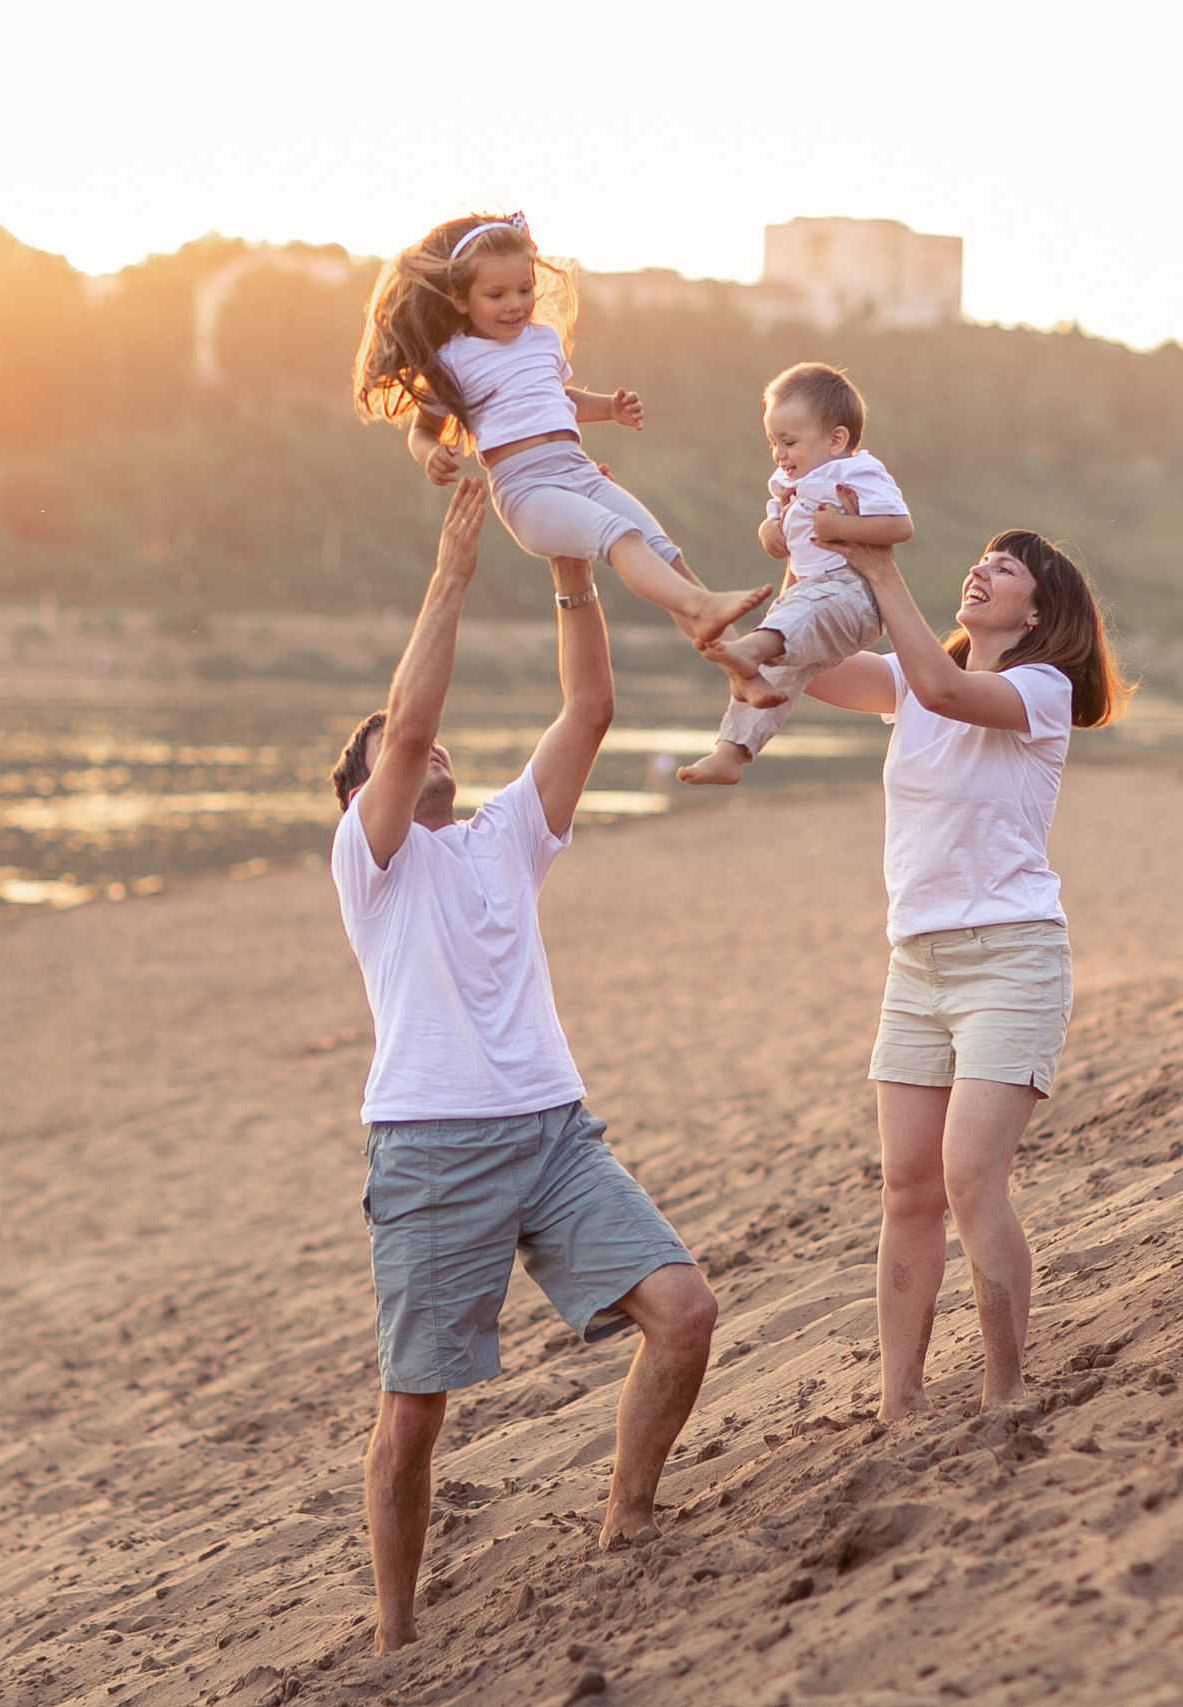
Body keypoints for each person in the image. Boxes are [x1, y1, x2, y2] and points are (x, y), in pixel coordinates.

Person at [327, 476, 720, 1652]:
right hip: (432, 1149)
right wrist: (450, 572)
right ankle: (397, 1632)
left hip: (553, 1132)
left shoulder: (502, 833)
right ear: (358, 798)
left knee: (686, 1312)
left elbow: (589, 708)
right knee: (413, 1417)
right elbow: (402, 724)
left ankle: (628, 1524)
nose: (424, 745)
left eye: (433, 742)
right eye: (395, 751)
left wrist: (568, 563)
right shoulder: (372, 860)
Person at [796, 505, 1130, 1419]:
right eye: (982, 558)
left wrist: (880, 569)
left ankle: (1005, 1388)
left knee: (969, 1176)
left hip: (1012, 959)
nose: (984, 570)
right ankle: (898, 1403)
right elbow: (812, 665)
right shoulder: (911, 682)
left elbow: (945, 692)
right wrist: (802, 553)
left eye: (1007, 569)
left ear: (1035, 615)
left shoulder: (1042, 692)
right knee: (907, 1186)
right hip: (917, 966)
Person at [352, 210, 769, 649]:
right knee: (620, 537)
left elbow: (557, 399)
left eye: (525, 289)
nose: (515, 304)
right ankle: (703, 609)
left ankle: (739, 663)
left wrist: (609, 408)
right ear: (459, 298)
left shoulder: (543, 340)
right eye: (496, 295)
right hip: (527, 489)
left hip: (578, 470)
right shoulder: (453, 358)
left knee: (663, 551)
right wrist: (429, 453)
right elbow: (423, 431)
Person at [682, 362, 914, 786]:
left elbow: (900, 526)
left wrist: (840, 527)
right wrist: (768, 528)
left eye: (789, 442)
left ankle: (748, 650)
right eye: (773, 442)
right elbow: (776, 513)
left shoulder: (856, 471)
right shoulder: (789, 480)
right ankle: (731, 752)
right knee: (773, 679)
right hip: (806, 595)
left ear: (836, 439)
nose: (779, 454)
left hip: (853, 595)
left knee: (787, 628)